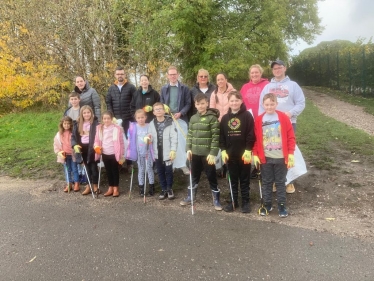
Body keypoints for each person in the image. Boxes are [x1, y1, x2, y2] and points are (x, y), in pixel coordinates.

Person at [258, 60, 305, 194]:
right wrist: (263, 121)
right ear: (272, 71)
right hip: (270, 126)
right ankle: (274, 181)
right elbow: (262, 105)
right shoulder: (267, 87)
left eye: (279, 67)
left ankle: (288, 181)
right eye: (274, 68)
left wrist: (290, 114)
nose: (277, 70)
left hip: (288, 124)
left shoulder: (293, 85)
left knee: (288, 151)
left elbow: (301, 103)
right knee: (272, 151)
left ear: (285, 68)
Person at [253, 93, 295, 218]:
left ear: (276, 104)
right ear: (263, 105)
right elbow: (255, 139)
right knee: (266, 182)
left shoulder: (283, 118)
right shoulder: (259, 120)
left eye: (272, 104)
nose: (269, 107)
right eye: (267, 104)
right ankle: (267, 205)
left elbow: (291, 137)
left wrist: (291, 153)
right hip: (265, 158)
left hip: (281, 158)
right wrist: (255, 154)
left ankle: (282, 205)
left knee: (280, 182)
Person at [180, 93, 221, 210]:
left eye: (203, 103)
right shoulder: (193, 118)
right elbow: (190, 135)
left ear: (207, 103)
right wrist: (188, 149)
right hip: (195, 153)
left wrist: (213, 153)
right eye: (198, 104)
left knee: (211, 176)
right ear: (195, 105)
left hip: (208, 155)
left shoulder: (212, 118)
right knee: (194, 176)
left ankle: (216, 199)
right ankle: (191, 196)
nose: (201, 106)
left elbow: (215, 137)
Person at [220, 91, 255, 213]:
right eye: (232, 101)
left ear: (241, 101)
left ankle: (246, 201)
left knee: (245, 180)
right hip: (230, 155)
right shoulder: (225, 118)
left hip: (244, 155)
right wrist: (223, 150)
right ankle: (233, 201)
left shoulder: (247, 116)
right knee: (232, 180)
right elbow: (222, 136)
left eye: (236, 100)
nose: (234, 103)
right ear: (228, 103)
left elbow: (251, 134)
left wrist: (248, 149)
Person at [160, 65, 191, 175]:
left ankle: (183, 165)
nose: (173, 76)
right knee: (170, 142)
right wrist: (165, 110)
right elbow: (162, 103)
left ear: (178, 75)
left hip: (181, 119)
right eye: (170, 74)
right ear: (167, 76)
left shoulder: (184, 88)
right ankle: (172, 164)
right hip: (168, 119)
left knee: (182, 143)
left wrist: (181, 113)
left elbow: (188, 103)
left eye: (174, 74)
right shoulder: (164, 89)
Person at [240, 64, 269, 179]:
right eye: (252, 73)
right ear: (249, 74)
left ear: (261, 73)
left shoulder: (266, 85)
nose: (254, 74)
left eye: (256, 72)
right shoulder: (245, 87)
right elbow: (241, 102)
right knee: (252, 141)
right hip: (249, 118)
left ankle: (263, 167)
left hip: (263, 118)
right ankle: (255, 166)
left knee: (263, 142)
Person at [106, 66, 137, 172]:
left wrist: (132, 115)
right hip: (115, 121)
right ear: (115, 75)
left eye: (122, 74)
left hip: (128, 119)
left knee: (128, 141)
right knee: (117, 141)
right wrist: (111, 116)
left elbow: (135, 102)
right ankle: (119, 162)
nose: (120, 76)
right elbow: (108, 103)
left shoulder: (131, 87)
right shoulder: (111, 88)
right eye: (118, 74)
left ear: (125, 75)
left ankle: (129, 163)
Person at [148, 103, 177, 200]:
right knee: (160, 171)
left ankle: (169, 188)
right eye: (156, 109)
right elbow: (150, 136)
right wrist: (148, 139)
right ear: (153, 112)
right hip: (157, 151)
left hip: (168, 151)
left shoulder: (170, 122)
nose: (159, 111)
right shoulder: (152, 123)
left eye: (160, 109)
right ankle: (163, 188)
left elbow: (174, 137)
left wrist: (173, 150)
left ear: (164, 111)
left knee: (168, 171)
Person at [94, 111, 125, 197]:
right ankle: (110, 187)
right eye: (105, 118)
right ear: (102, 119)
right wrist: (96, 146)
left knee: (115, 170)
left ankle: (116, 188)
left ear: (111, 119)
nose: (106, 120)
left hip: (114, 152)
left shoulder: (117, 128)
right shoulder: (99, 128)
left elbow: (121, 142)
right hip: (104, 152)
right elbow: (96, 140)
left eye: (108, 118)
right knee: (108, 171)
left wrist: (122, 154)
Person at [71, 105, 100, 195]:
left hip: (93, 147)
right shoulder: (77, 124)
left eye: (88, 112)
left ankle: (95, 185)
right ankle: (88, 186)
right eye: (84, 113)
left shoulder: (95, 124)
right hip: (82, 148)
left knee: (94, 168)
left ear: (91, 113)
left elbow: (99, 135)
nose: (86, 114)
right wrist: (75, 145)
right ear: (81, 114)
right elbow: (73, 137)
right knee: (86, 168)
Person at [126, 109, 155, 197]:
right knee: (141, 169)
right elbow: (130, 138)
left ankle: (151, 187)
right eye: (138, 118)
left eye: (142, 117)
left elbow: (153, 136)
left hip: (148, 151)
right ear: (136, 118)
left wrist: (150, 138)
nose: (141, 119)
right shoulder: (134, 127)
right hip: (139, 152)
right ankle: (141, 188)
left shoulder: (149, 126)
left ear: (145, 117)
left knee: (149, 169)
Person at [53, 116, 79, 192]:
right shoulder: (59, 134)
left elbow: (76, 142)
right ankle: (69, 183)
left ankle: (76, 183)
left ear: (71, 124)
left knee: (74, 169)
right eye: (65, 123)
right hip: (64, 156)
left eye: (68, 123)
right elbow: (56, 144)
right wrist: (58, 152)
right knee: (67, 170)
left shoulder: (73, 133)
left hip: (73, 155)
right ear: (62, 124)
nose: (66, 125)